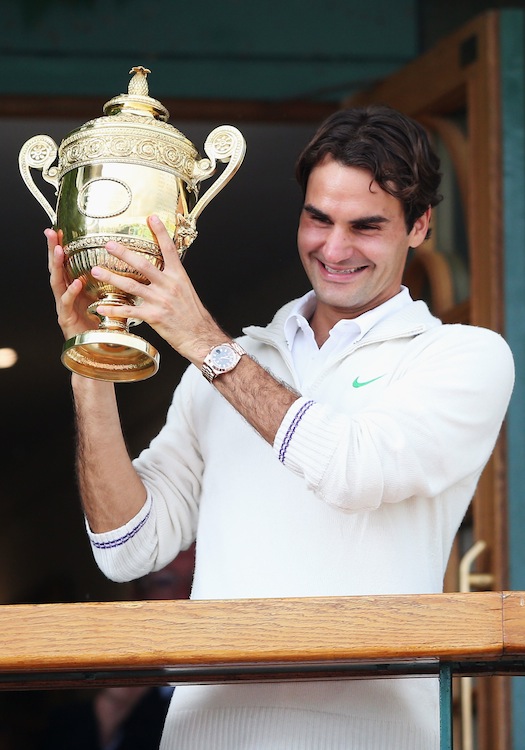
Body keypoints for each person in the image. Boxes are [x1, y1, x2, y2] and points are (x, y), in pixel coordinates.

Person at [46, 105, 515, 749]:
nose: (334, 249)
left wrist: (206, 344)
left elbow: (352, 472)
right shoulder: (229, 364)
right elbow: (127, 547)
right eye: (318, 219)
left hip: (368, 738)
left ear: (420, 225)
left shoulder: (463, 356)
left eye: (366, 226)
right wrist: (91, 361)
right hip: (204, 736)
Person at [38, 548, 195, 750]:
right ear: (137, 597)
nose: (183, 595)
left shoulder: (234, 676)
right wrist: (114, 706)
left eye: (195, 578)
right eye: (165, 582)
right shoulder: (115, 702)